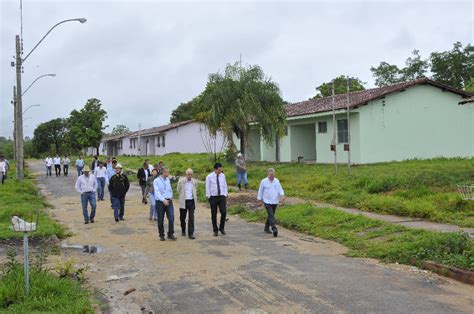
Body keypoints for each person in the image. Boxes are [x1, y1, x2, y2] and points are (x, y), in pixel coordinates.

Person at [257, 168, 285, 237]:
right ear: (268, 174)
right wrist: (259, 199)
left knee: (271, 214)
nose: (272, 176)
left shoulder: (277, 181)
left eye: (273, 174)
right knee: (271, 214)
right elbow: (260, 190)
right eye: (270, 174)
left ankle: (266, 227)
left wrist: (282, 195)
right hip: (267, 200)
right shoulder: (263, 181)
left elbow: (280, 189)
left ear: (274, 174)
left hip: (275, 200)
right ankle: (274, 228)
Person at [153, 166, 176, 241]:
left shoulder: (168, 180)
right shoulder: (156, 181)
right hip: (160, 202)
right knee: (160, 219)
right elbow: (157, 193)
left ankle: (170, 233)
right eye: (167, 172)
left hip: (169, 201)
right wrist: (163, 200)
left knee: (171, 217)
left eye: (168, 172)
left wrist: (171, 196)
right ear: (163, 172)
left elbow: (170, 189)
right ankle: (161, 235)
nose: (168, 173)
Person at [205, 162, 228, 236]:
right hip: (213, 197)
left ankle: (222, 228)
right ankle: (215, 230)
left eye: (221, 170)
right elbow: (207, 187)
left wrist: (225, 194)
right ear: (215, 169)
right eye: (219, 170)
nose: (220, 171)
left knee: (224, 212)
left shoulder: (223, 175)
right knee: (214, 214)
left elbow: (225, 185)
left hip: (221, 196)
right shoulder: (209, 176)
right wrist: (209, 196)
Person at [177, 168, 198, 239]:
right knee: (182, 217)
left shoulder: (194, 181)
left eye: (191, 174)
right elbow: (178, 190)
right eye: (188, 174)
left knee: (191, 217)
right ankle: (183, 230)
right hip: (184, 201)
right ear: (186, 175)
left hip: (191, 201)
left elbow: (195, 189)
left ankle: (191, 233)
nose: (190, 176)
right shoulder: (181, 181)